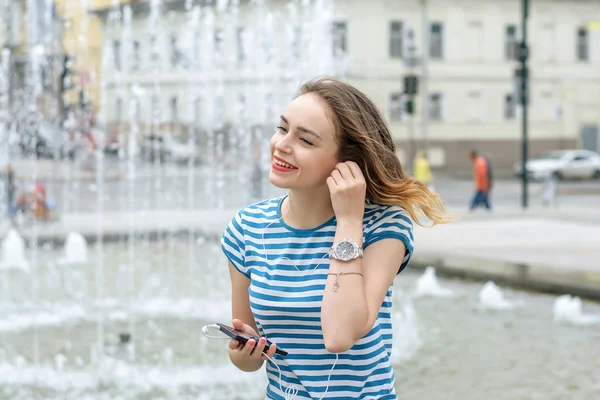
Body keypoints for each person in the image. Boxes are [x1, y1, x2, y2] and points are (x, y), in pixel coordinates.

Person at [221, 77, 452, 399]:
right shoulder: (247, 228)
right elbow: (244, 354)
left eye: (306, 140)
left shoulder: (383, 227)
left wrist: (347, 221)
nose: (282, 144)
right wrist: (244, 353)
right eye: (282, 128)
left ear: (347, 163)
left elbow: (340, 335)